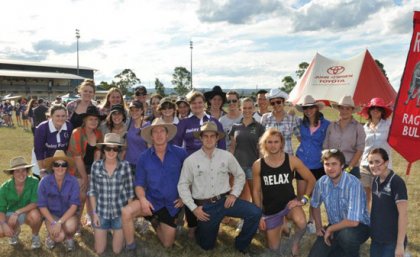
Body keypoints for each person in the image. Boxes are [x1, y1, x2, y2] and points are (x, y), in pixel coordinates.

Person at [178, 121, 262, 253]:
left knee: (255, 212)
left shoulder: (226, 156)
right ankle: (203, 229)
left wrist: (234, 194)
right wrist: (194, 209)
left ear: (217, 138)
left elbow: (240, 175)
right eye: (205, 136)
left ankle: (241, 244)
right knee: (206, 246)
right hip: (206, 208)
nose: (209, 139)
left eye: (212, 136)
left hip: (225, 201)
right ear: (200, 138)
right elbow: (182, 186)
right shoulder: (191, 160)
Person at [122, 118, 187, 252]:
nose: (158, 134)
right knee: (126, 212)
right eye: (155, 132)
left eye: (162, 131)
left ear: (167, 134)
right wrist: (143, 200)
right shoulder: (144, 157)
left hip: (171, 205)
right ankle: (130, 247)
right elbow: (139, 184)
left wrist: (184, 197)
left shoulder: (180, 153)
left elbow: (190, 177)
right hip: (151, 201)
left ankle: (154, 221)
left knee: (167, 244)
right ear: (151, 136)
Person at [252, 128, 315, 256]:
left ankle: (295, 241)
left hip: (289, 204)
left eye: (276, 142)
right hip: (271, 209)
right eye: (269, 142)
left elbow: (311, 179)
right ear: (264, 144)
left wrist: (303, 200)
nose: (273, 145)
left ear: (281, 143)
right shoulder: (258, 164)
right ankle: (282, 225)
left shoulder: (291, 160)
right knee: (274, 249)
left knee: (302, 222)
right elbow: (256, 191)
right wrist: (259, 215)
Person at [308, 149, 370, 257]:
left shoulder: (353, 184)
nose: (330, 168)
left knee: (346, 237)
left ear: (342, 165)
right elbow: (315, 204)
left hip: (359, 226)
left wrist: (330, 229)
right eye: (327, 164)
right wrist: (318, 227)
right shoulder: (322, 182)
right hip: (336, 225)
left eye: (334, 164)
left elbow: (353, 221)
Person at [88, 133, 134, 255]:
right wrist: (94, 214)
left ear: (119, 150)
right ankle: (109, 232)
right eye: (108, 148)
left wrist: (128, 216)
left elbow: (130, 192)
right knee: (99, 250)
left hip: (119, 213)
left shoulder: (125, 166)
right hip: (101, 212)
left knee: (117, 250)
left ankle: (121, 234)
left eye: (115, 148)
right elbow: (92, 191)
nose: (111, 151)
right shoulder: (96, 166)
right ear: (103, 150)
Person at [295, 95, 330, 232]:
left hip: (317, 164)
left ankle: (311, 221)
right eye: (305, 108)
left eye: (311, 107)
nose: (308, 110)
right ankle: (299, 220)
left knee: (314, 196)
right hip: (302, 162)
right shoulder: (300, 123)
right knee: (301, 194)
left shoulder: (327, 124)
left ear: (316, 108)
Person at [229, 97, 265, 231]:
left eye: (250, 108)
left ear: (254, 109)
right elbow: (233, 147)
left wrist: (260, 165)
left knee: (256, 195)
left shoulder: (259, 127)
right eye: (245, 108)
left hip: (253, 166)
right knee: (243, 197)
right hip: (238, 167)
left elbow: (261, 149)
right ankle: (244, 220)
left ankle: (256, 221)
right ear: (241, 108)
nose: (247, 110)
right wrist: (229, 165)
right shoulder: (235, 127)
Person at [67, 105, 103, 230]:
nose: (93, 122)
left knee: (93, 195)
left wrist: (93, 173)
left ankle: (94, 221)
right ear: (85, 120)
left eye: (96, 120)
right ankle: (76, 224)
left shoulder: (98, 133)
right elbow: (77, 158)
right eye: (90, 119)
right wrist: (85, 177)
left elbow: (98, 152)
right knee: (81, 196)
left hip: (92, 168)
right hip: (77, 169)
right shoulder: (77, 133)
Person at [368, 148, 408, 257]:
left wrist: (399, 244)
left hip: (392, 241)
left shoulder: (397, 182)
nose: (373, 165)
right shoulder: (375, 180)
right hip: (376, 239)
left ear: (386, 162)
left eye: (377, 162)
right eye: (371, 162)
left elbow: (403, 215)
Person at [38, 150, 80, 251]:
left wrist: (60, 222)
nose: (60, 168)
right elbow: (42, 206)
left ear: (67, 167)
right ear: (52, 167)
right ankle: (51, 235)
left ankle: (69, 237)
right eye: (57, 164)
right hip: (51, 216)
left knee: (70, 227)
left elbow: (74, 206)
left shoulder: (73, 181)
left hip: (68, 215)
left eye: (63, 164)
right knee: (58, 237)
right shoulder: (44, 182)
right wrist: (53, 222)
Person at [0, 157, 42, 249]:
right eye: (17, 171)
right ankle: (15, 232)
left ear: (27, 171)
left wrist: (17, 212)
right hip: (11, 215)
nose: (21, 174)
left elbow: (35, 202)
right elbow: (1, 209)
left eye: (23, 170)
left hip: (28, 212)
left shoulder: (34, 181)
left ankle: (35, 236)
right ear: (12, 173)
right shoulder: (4, 187)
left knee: (35, 215)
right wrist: (3, 224)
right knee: (1, 230)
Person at [360, 97, 393, 210]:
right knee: (366, 195)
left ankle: (378, 220)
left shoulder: (389, 125)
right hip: (365, 165)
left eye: (378, 108)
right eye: (373, 107)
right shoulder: (364, 128)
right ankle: (367, 221)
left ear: (383, 111)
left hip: (382, 165)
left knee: (379, 195)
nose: (375, 110)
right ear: (369, 110)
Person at [324, 95, 365, 178]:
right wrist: (329, 165)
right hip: (332, 167)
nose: (344, 111)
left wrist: (348, 169)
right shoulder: (331, 126)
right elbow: (326, 146)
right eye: (342, 108)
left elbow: (360, 150)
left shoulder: (358, 127)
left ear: (352, 110)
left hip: (351, 167)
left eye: (347, 108)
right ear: (338, 109)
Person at [34, 104, 73, 177]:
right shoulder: (42, 128)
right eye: (57, 116)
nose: (60, 118)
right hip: (44, 160)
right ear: (51, 116)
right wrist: (42, 170)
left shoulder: (69, 126)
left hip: (61, 161)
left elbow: (69, 148)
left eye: (63, 116)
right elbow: (39, 151)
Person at [261, 88, 300, 155]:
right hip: (270, 158)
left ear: (283, 101)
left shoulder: (293, 119)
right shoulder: (265, 118)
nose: (276, 105)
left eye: (278, 102)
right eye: (273, 103)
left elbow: (301, 139)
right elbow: (262, 140)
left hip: (287, 158)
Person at [125, 100, 150, 175]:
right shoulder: (128, 124)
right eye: (132, 110)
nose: (134, 112)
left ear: (142, 111)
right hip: (128, 163)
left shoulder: (147, 126)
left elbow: (150, 147)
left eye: (137, 110)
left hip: (142, 164)